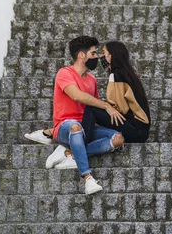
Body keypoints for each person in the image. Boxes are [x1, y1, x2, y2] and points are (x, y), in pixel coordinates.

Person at [44, 35, 126, 195]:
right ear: (82, 55)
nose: (97, 57)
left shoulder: (92, 80)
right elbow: (77, 96)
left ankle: (69, 153)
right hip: (64, 127)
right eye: (94, 53)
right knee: (75, 127)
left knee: (118, 138)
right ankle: (88, 178)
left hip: (86, 129)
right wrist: (106, 106)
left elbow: (92, 108)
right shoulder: (64, 73)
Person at [86, 40, 151, 143]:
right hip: (141, 131)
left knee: (90, 108)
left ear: (111, 56)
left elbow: (121, 109)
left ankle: (80, 144)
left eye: (103, 53)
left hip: (135, 130)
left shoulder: (116, 76)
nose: (101, 56)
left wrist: (105, 107)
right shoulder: (127, 74)